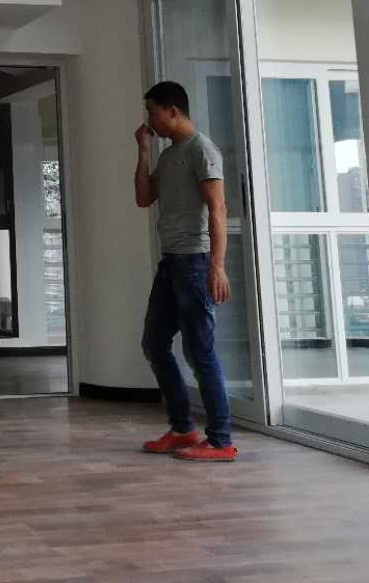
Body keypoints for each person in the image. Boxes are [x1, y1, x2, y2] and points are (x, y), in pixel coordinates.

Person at [133, 80, 237, 461]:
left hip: (195, 262)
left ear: (173, 112)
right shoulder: (168, 155)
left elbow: (218, 210)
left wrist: (217, 267)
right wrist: (144, 152)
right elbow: (144, 198)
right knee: (153, 343)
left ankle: (221, 441)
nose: (149, 120)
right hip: (171, 263)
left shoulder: (202, 150)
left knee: (199, 353)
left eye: (153, 112)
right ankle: (182, 429)